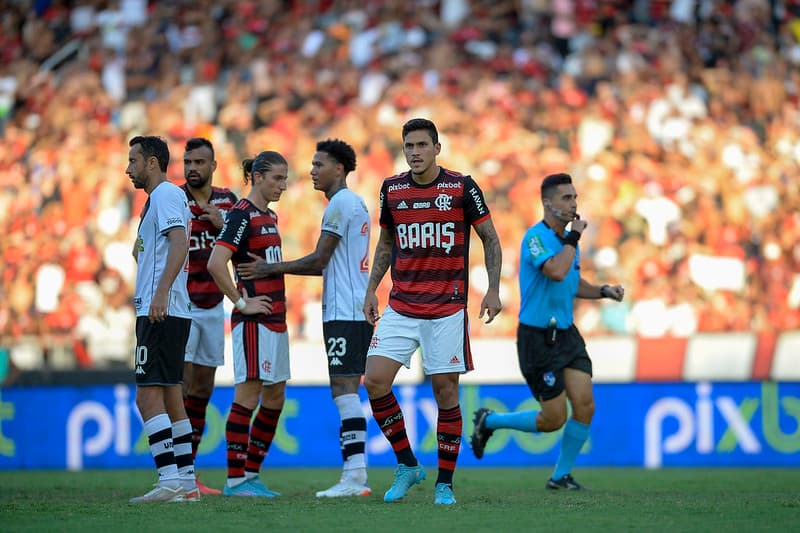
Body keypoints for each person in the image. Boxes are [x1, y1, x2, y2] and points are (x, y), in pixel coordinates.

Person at [362, 118, 503, 505]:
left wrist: (492, 288)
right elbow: (387, 242)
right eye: (409, 146)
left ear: (437, 148)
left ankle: (444, 484)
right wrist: (372, 289)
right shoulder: (392, 189)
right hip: (402, 305)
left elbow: (490, 237)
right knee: (374, 381)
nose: (415, 152)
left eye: (422, 145)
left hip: (446, 308)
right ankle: (407, 464)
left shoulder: (461, 187)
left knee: (445, 393)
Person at [470, 172, 625, 490]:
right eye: (566, 198)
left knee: (585, 405)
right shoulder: (536, 238)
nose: (573, 204)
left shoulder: (569, 244)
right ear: (547, 202)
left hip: (566, 334)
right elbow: (555, 271)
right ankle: (491, 420)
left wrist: (602, 291)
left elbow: (571, 281)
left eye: (575, 198)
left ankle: (560, 476)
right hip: (537, 338)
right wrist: (573, 239)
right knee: (553, 418)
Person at [238, 139, 372, 498]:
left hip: (345, 311)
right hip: (351, 308)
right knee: (346, 390)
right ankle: (356, 474)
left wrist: (269, 267)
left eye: (318, 164)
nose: (311, 171)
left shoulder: (341, 205)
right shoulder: (352, 203)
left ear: (339, 169)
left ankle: (355, 477)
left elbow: (318, 261)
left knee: (345, 391)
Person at [206, 151, 288, 498]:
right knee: (248, 395)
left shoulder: (269, 215)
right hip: (254, 321)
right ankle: (236, 479)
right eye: (276, 178)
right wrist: (241, 302)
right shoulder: (242, 213)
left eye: (285, 179)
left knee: (275, 398)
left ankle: (251, 474)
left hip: (277, 320)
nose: (282, 185)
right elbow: (216, 262)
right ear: (257, 176)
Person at [126, 135, 199, 503]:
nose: (128, 169)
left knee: (147, 395)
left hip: (160, 310)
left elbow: (180, 241)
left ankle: (168, 479)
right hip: (171, 308)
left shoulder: (167, 195)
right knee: (172, 395)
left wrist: (159, 292)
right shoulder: (160, 200)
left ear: (152, 162)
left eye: (133, 161)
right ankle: (186, 483)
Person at [180, 137, 238, 495]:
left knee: (202, 389)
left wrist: (222, 224)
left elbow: (242, 246)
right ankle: (177, 473)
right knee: (181, 388)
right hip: (180, 306)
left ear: (213, 166)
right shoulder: (172, 198)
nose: (192, 168)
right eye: (188, 161)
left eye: (200, 162)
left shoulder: (228, 201)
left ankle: (190, 473)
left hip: (213, 306)